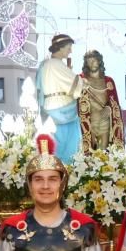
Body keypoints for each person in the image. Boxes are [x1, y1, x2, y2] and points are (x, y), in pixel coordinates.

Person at [37, 33, 83, 162]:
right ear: (61, 48)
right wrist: (84, 82)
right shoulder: (56, 64)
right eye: (68, 48)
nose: (70, 51)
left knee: (57, 141)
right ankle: (67, 167)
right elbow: (75, 83)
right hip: (62, 107)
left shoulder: (45, 64)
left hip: (50, 106)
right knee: (68, 143)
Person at [77, 49, 125, 152]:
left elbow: (114, 103)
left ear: (99, 61)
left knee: (104, 153)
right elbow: (75, 100)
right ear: (86, 63)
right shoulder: (81, 80)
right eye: (89, 61)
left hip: (105, 122)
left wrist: (109, 109)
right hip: (89, 122)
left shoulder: (108, 81)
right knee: (89, 153)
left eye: (94, 60)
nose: (92, 63)